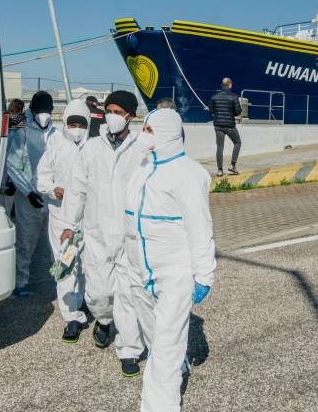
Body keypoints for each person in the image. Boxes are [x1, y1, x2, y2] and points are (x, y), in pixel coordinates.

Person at [123, 108, 216, 411]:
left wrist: (204, 274)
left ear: (165, 133)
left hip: (174, 272)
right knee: (154, 334)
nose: (143, 133)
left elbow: (200, 227)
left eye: (149, 129)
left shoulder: (189, 174)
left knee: (163, 345)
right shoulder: (142, 168)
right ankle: (178, 363)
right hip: (139, 269)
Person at [59, 91, 145, 376]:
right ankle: (104, 320)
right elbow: (76, 189)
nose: (112, 115)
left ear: (130, 116)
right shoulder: (92, 147)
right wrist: (69, 225)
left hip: (129, 235)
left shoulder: (140, 148)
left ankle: (129, 349)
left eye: (118, 111)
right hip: (96, 234)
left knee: (128, 295)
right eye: (109, 110)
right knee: (99, 294)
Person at [36, 99, 90, 343]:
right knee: (66, 264)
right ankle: (71, 317)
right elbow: (41, 178)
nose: (76, 128)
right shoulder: (55, 144)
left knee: (88, 264)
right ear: (65, 123)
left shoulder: (95, 147)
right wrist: (54, 190)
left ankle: (84, 302)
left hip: (88, 217)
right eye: (72, 123)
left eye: (81, 123)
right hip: (61, 218)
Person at [5, 91, 56, 296]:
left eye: (47, 111)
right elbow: (12, 163)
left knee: (51, 243)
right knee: (25, 241)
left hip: (51, 197)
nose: (44, 114)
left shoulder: (57, 133)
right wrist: (27, 192)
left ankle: (48, 280)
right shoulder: (21, 130)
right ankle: (20, 283)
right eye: (40, 111)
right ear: (31, 111)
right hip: (28, 197)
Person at [209, 77, 242, 177]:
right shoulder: (233, 97)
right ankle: (232, 166)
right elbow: (238, 112)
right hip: (230, 126)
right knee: (237, 142)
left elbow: (211, 111)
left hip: (218, 126)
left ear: (222, 85)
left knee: (220, 147)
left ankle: (219, 170)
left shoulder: (214, 97)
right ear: (230, 85)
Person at [0, 99, 26, 216]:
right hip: (12, 163)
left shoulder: (3, 118)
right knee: (10, 198)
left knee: (1, 198)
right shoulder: (22, 121)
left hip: (0, 163)